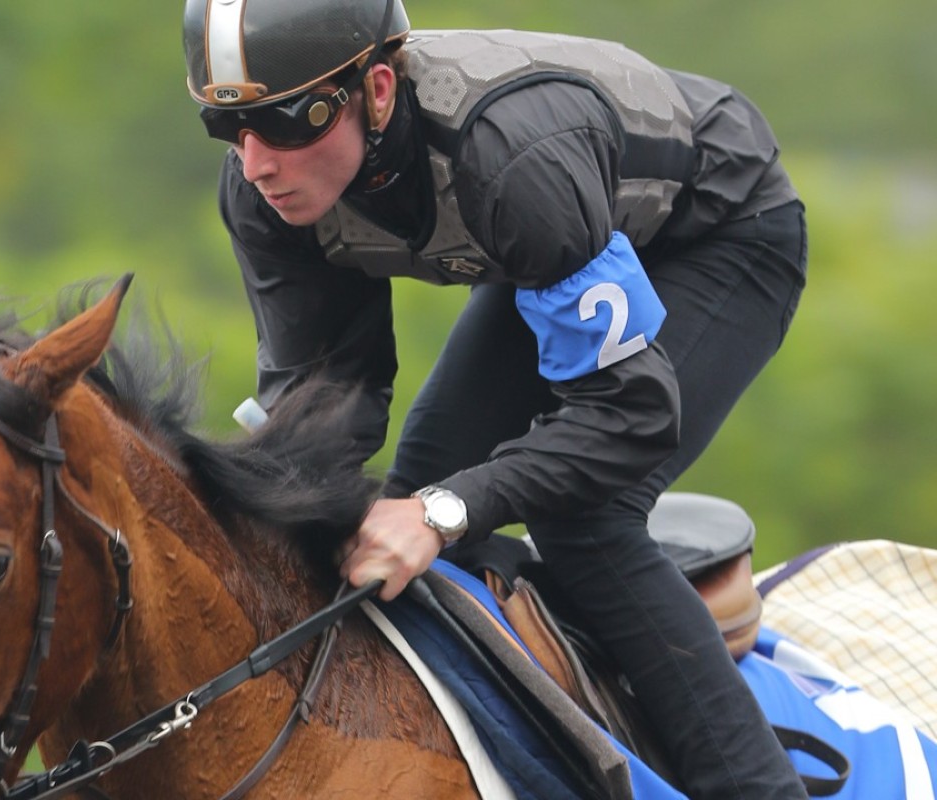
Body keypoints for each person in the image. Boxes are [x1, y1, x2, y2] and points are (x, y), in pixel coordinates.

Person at [182, 0, 809, 797]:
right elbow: (332, 405)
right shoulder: (261, 191)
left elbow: (628, 417)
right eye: (227, 130)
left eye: (285, 123)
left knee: (580, 515)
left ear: (377, 90)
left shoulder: (509, 162)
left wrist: (446, 511)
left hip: (717, 233)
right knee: (406, 504)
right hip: (560, 246)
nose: (258, 163)